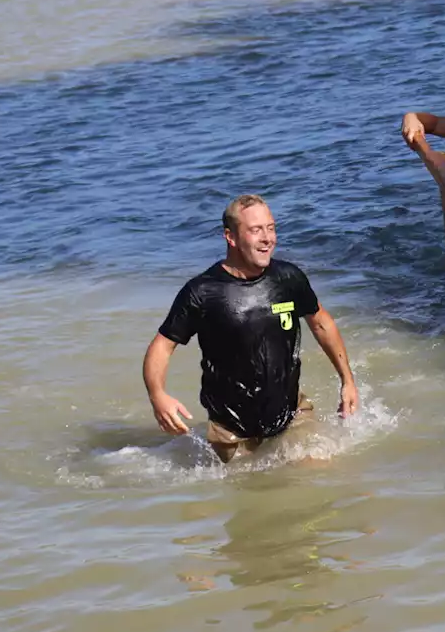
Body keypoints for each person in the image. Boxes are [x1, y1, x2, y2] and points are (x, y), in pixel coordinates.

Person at [142, 194, 360, 463]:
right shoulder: (202, 292)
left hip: (292, 414)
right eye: (256, 230)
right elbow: (163, 346)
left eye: (271, 228)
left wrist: (347, 380)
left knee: (320, 477)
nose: (268, 238)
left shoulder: (288, 279)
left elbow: (321, 323)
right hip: (231, 431)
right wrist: (157, 395)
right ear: (230, 237)